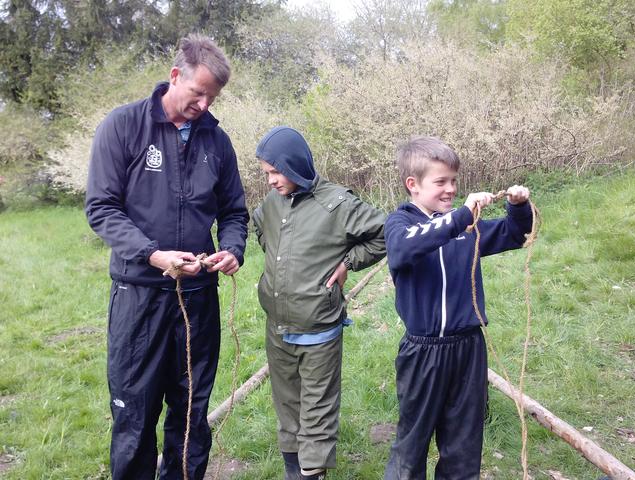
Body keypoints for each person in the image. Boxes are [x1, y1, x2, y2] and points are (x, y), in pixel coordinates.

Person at [85, 34, 249, 480]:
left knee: (192, 409)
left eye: (212, 97)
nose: (204, 105)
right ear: (175, 77)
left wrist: (232, 250)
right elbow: (101, 208)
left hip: (198, 298)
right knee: (135, 412)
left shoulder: (217, 141)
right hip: (139, 296)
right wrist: (152, 254)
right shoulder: (123, 127)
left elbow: (234, 211)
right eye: (198, 93)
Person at [383, 135, 533, 479]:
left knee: (464, 444)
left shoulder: (468, 229)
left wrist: (519, 207)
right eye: (441, 181)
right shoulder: (400, 224)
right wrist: (460, 216)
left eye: (454, 180)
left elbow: (515, 234)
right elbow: (403, 249)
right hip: (423, 354)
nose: (450, 189)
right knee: (412, 445)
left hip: (468, 349)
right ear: (413, 185)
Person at [252, 126, 386, 480]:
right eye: (266, 173)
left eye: (275, 172)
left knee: (316, 409)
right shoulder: (272, 202)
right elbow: (260, 228)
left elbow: (384, 233)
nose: (270, 181)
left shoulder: (337, 204)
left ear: (295, 165)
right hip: (277, 325)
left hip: (318, 329)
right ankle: (293, 470)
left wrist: (347, 262)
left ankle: (313, 473)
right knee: (287, 405)